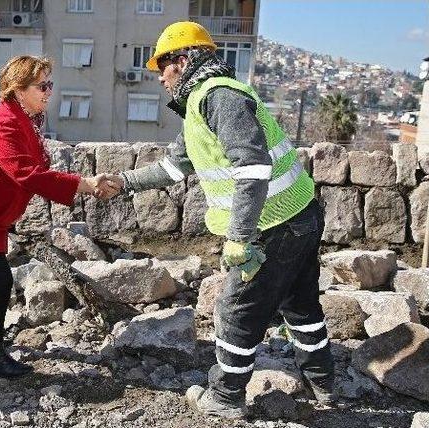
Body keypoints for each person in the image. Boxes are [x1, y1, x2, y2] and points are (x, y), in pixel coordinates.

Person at [105, 22, 334, 419]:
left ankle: (225, 398)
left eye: (163, 67)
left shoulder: (220, 97)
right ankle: (325, 385)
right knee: (299, 306)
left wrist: (240, 237)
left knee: (235, 310)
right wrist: (121, 182)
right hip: (298, 215)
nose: (160, 78)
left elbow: (252, 168)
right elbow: (175, 167)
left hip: (273, 225)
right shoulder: (199, 103)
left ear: (183, 60)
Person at [0, 55, 117, 378]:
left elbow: (37, 168)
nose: (49, 92)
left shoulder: (23, 118)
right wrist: (84, 184)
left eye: (50, 84)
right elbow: (28, 175)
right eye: (42, 86)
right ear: (18, 90)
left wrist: (78, 183)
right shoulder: (5, 123)